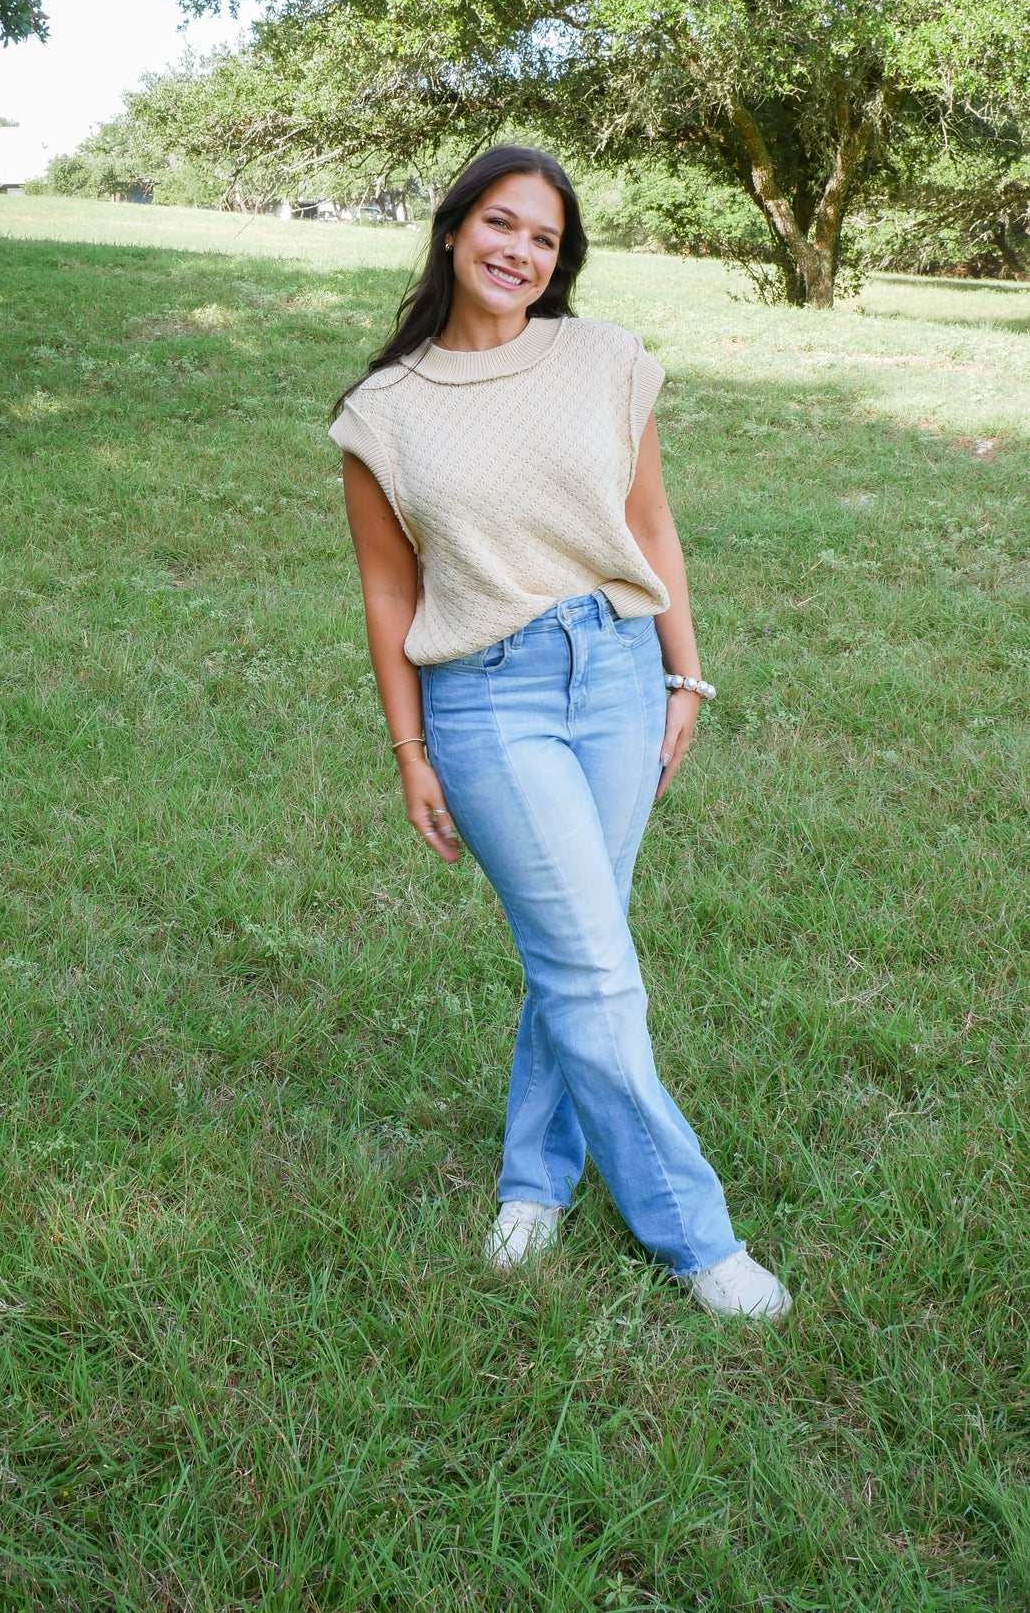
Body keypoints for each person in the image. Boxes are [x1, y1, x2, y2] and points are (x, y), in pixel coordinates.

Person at [330, 144, 791, 1320]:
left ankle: (532, 1183)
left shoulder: (602, 359)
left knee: (572, 949)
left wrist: (686, 679)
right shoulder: (383, 412)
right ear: (450, 230)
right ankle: (695, 1236)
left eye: (543, 238)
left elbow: (652, 524)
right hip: (488, 697)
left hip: (621, 677)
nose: (518, 251)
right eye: (499, 223)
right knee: (590, 963)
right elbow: (388, 593)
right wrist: (408, 750)